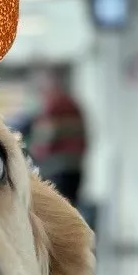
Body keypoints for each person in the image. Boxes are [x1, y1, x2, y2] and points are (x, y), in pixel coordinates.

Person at [27, 67, 87, 207]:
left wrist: (35, 152)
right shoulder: (74, 105)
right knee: (71, 207)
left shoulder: (53, 105)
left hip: (57, 166)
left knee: (56, 210)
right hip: (75, 166)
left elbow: (46, 135)